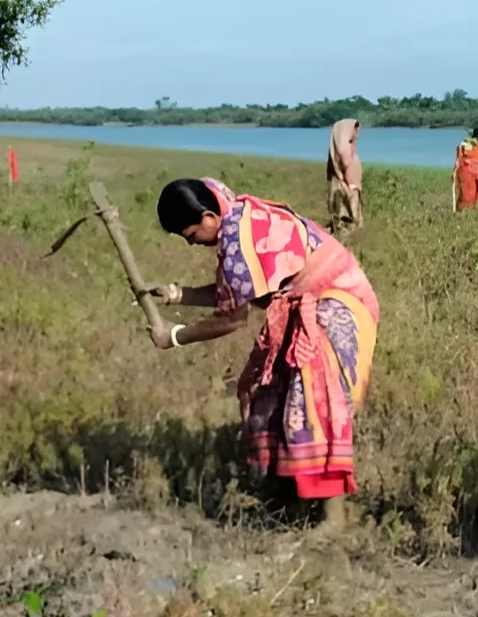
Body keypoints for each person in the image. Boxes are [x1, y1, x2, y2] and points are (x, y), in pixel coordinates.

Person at [142, 178, 381, 527]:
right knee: (266, 394)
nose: (194, 244)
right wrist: (179, 295)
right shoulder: (233, 218)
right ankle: (291, 502)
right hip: (304, 304)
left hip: (337, 303)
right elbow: (241, 290)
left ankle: (334, 518)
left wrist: (174, 336)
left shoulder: (239, 238)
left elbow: (231, 318)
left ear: (208, 216)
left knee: (312, 402)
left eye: (191, 236)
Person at [325, 119, 364, 233]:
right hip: (349, 184)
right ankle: (350, 228)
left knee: (343, 205)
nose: (357, 133)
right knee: (350, 205)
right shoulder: (344, 149)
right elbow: (346, 162)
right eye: (355, 129)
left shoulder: (341, 148)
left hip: (346, 183)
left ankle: (344, 226)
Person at [453, 130, 478, 212]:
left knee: (476, 191)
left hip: (475, 172)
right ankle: (462, 210)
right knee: (466, 193)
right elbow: (460, 153)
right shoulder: (467, 144)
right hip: (467, 172)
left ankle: (470, 210)